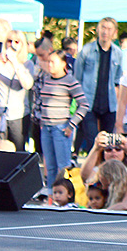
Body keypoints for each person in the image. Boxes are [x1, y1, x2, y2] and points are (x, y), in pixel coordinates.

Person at [36, 51, 90, 195]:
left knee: (63, 165)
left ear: (63, 64)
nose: (50, 65)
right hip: (46, 126)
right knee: (50, 164)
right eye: (49, 62)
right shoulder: (46, 79)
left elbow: (84, 104)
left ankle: (67, 193)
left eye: (53, 62)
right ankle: (52, 192)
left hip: (61, 127)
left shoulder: (70, 81)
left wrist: (72, 124)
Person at [74, 17, 123, 152]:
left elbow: (117, 80)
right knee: (92, 141)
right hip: (88, 103)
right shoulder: (86, 50)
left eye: (109, 29)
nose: (105, 32)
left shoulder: (118, 53)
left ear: (114, 32)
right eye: (103, 28)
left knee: (108, 144)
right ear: (97, 29)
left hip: (109, 104)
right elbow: (77, 77)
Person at [0, 31, 35, 150]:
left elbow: (27, 85)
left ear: (23, 45)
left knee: (18, 152)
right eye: (9, 41)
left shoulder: (27, 64)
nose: (12, 44)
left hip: (18, 115)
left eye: (17, 42)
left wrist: (15, 63)